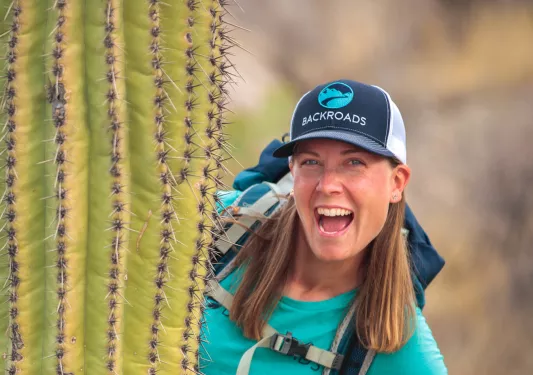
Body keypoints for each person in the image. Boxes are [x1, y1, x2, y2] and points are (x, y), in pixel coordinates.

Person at [200, 79, 448, 375]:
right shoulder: (219, 226)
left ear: (396, 183)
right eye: (311, 162)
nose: (328, 185)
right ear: (292, 170)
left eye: (354, 162)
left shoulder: (399, 349)